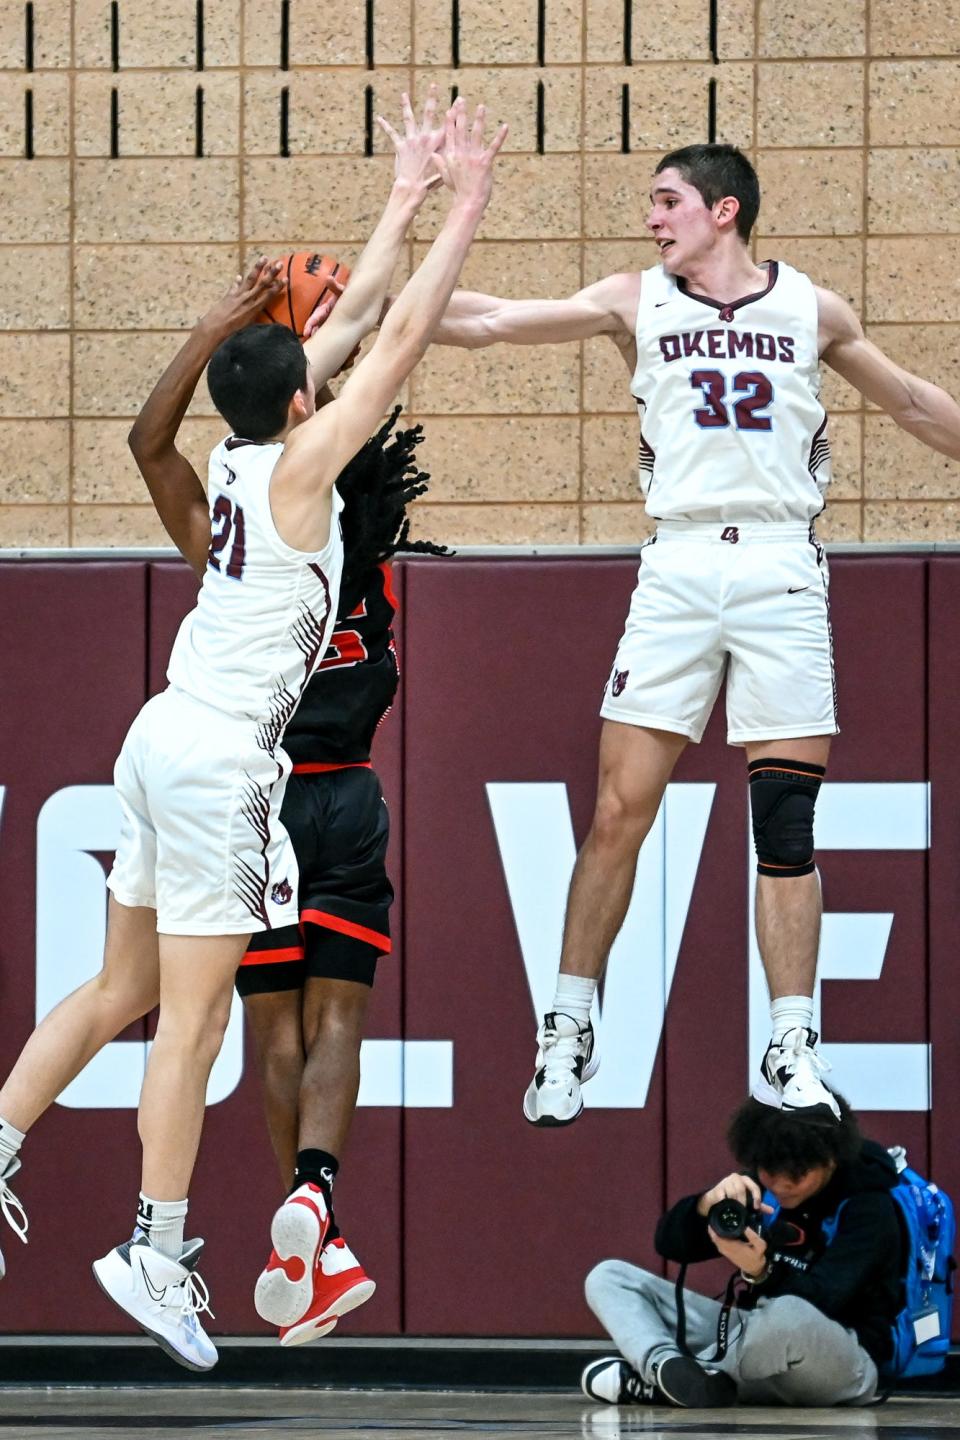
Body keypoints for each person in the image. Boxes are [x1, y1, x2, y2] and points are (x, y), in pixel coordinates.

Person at [0, 88, 505, 1370]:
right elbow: (392, 341)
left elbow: (339, 339)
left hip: (158, 729)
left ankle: (2, 1134)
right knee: (192, 1021)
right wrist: (468, 206)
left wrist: (402, 195)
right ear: (303, 397)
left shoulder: (234, 456)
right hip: (224, 759)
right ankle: (155, 1248)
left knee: (119, 986)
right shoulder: (296, 467)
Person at [423, 142, 960, 1128]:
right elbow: (492, 321)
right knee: (619, 811)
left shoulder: (813, 310)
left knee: (786, 831)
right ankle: (567, 1028)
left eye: (668, 202)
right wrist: (372, 305)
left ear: (725, 210)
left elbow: (917, 403)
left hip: (780, 564)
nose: (652, 218)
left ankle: (793, 1043)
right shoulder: (634, 299)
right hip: (674, 565)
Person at [129, 254, 446, 1347]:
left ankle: (285, 1235)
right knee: (339, 1017)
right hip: (338, 793)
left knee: (247, 1025)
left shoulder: (224, 513)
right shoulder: (366, 556)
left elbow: (156, 444)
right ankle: (309, 1201)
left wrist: (237, 331)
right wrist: (417, 220)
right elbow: (367, 370)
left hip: (250, 788)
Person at [582, 1093, 900, 1408]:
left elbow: (824, 1301)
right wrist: (706, 1205)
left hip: (842, 1358)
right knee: (609, 1277)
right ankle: (665, 1369)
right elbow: (667, 1244)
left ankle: (675, 1379)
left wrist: (762, 1272)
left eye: (797, 1174)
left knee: (786, 1316)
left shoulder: (870, 1208)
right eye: (770, 1171)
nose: (782, 1184)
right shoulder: (761, 1187)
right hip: (752, 1346)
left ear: (830, 1159)